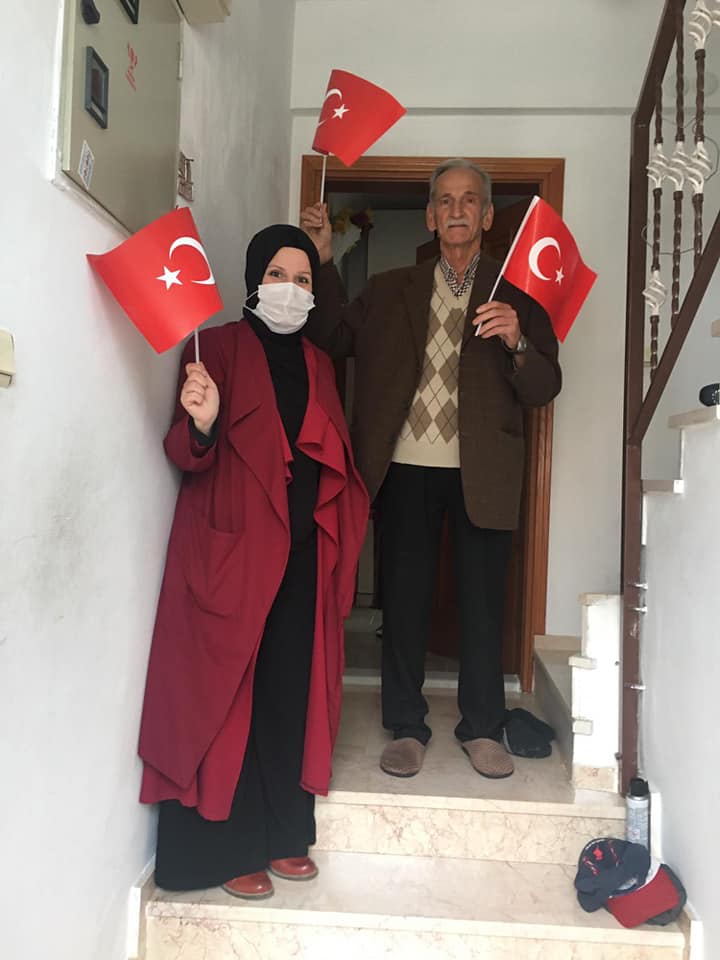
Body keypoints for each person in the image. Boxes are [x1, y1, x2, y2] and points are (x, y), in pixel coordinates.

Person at [300, 158, 561, 781]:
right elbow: (332, 337)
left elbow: (545, 387)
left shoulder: (517, 293)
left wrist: (518, 342)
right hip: (403, 467)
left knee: (483, 606)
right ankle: (406, 726)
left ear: (488, 216)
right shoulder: (391, 287)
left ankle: (483, 727)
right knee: (405, 601)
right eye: (445, 200)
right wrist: (323, 261)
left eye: (470, 200)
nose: (457, 209)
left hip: (485, 472)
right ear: (430, 216)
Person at [137, 225, 369, 900]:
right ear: (252, 280)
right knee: (226, 694)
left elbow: (331, 460)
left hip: (299, 559)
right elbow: (185, 453)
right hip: (231, 554)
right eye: (276, 275)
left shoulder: (319, 363)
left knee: (287, 693)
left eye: (303, 280)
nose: (289, 290)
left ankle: (283, 833)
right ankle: (226, 846)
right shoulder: (215, 349)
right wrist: (203, 422)